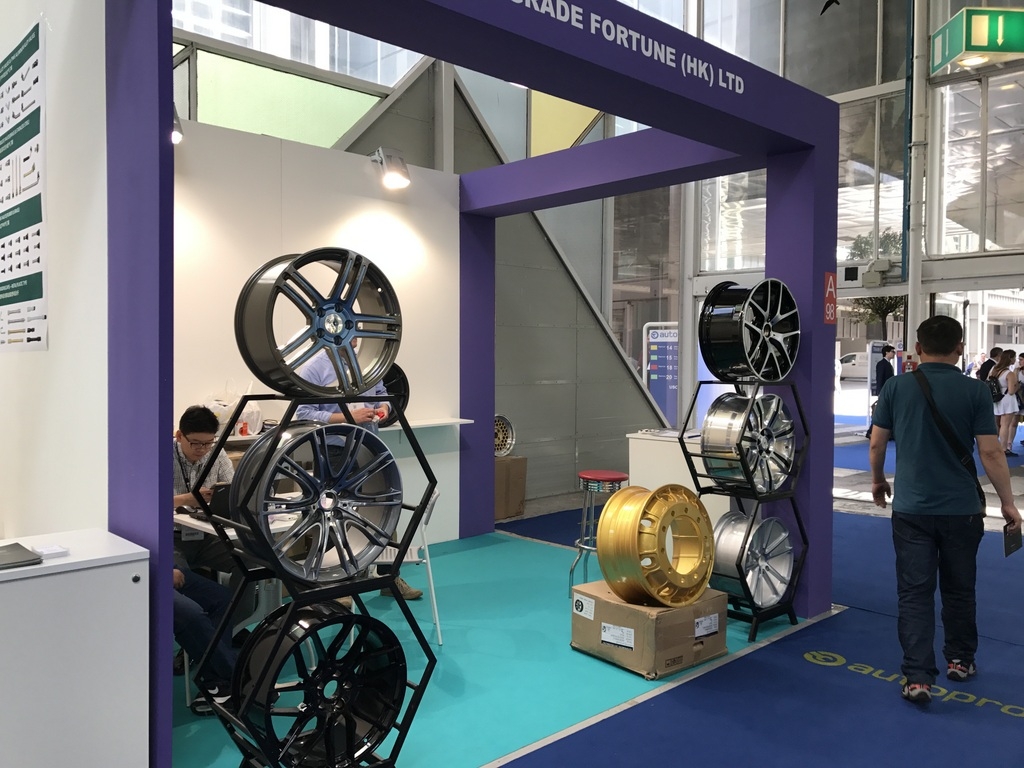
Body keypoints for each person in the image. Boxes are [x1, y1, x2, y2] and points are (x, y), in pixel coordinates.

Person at [869, 316, 1021, 705]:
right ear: (959, 348)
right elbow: (990, 451)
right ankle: (960, 661)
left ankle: (918, 678)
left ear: (918, 349)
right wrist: (1007, 502)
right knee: (959, 589)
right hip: (962, 510)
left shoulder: (896, 387)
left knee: (914, 593)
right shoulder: (975, 391)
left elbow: (877, 443)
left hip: (911, 509)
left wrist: (878, 480)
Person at [295, 345, 422, 601]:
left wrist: (384, 408)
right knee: (336, 517)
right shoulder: (313, 368)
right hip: (335, 452)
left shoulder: (368, 363)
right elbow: (303, 414)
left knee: (385, 509)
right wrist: (347, 416)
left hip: (369, 447)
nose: (353, 341)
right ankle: (337, 585)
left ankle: (389, 577)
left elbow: (382, 394)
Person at [172, 405, 257, 633]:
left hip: (207, 535)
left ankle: (230, 627)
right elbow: (145, 504)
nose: (202, 449)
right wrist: (185, 499)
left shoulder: (217, 454)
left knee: (249, 560)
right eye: (195, 443)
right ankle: (203, 633)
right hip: (171, 538)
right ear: (179, 436)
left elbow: (234, 491)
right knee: (181, 579)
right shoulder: (160, 455)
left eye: (208, 443)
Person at [173, 555, 237, 715]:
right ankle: (235, 678)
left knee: (221, 598)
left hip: (157, 565)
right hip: (137, 575)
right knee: (191, 615)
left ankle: (216, 684)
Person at [987, 349, 1019, 457]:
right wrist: (1017, 386)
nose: (1015, 360)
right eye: (1014, 357)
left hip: (996, 398)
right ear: (1010, 359)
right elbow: (1011, 391)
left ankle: (995, 446)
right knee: (1005, 425)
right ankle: (1004, 448)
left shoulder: (993, 370)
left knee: (997, 424)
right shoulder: (1009, 373)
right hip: (1007, 400)